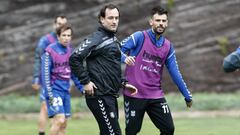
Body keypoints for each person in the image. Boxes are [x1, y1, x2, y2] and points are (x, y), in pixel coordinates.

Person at [120, 6, 193, 135]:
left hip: (155, 95)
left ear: (167, 23)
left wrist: (186, 95)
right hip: (134, 94)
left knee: (168, 129)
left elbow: (175, 72)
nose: (161, 23)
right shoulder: (139, 37)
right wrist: (124, 58)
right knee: (132, 131)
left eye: (164, 21)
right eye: (158, 20)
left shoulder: (167, 46)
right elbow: (116, 50)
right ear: (151, 22)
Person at [69, 4, 137, 135]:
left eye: (116, 18)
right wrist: (86, 82)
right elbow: (74, 58)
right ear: (102, 19)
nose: (114, 21)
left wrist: (123, 83)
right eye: (110, 18)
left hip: (110, 96)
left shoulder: (113, 40)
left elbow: (110, 68)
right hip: (99, 96)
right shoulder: (96, 38)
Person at [41, 24, 83, 135]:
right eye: (63, 35)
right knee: (59, 120)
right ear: (58, 36)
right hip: (54, 92)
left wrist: (82, 88)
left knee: (63, 125)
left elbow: (74, 75)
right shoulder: (49, 51)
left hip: (65, 92)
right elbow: (45, 75)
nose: (66, 38)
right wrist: (49, 94)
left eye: (69, 35)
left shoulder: (71, 52)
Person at [32, 15, 68, 135]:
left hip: (60, 83)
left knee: (57, 116)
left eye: (63, 24)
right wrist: (36, 78)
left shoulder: (65, 43)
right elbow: (38, 58)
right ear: (54, 25)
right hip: (47, 81)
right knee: (45, 108)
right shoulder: (45, 40)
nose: (61, 26)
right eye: (59, 24)